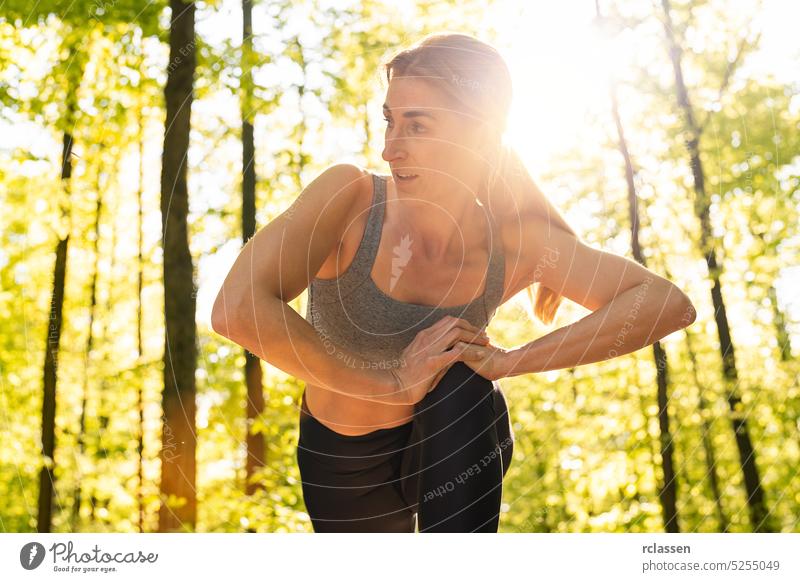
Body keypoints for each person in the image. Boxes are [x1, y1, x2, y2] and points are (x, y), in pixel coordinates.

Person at [211, 32, 696, 532]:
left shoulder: (518, 243)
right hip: (346, 461)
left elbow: (666, 303)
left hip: (456, 434)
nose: (389, 149)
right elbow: (237, 307)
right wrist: (392, 383)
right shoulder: (352, 200)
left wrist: (510, 362)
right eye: (390, 121)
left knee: (464, 378)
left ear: (481, 136)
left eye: (417, 126)